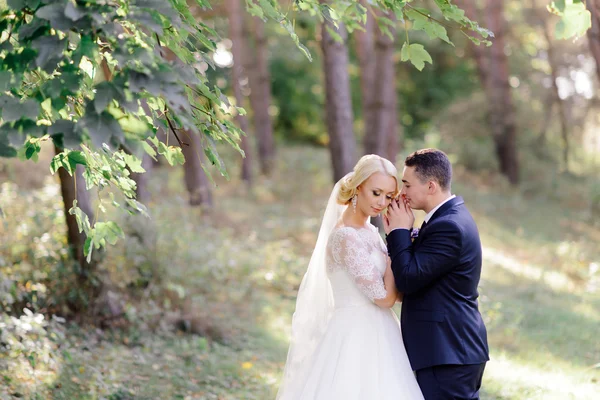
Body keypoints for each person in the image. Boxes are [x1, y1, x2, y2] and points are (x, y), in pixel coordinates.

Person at [276, 154, 424, 400]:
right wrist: (394, 251)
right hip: (354, 335)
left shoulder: (371, 232)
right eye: (376, 192)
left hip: (382, 334)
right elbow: (385, 299)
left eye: (388, 196)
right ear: (358, 188)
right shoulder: (345, 237)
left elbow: (394, 294)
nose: (381, 202)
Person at [384, 148, 490, 400]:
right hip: (446, 351)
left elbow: (408, 279)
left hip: (448, 353)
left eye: (407, 185)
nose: (402, 193)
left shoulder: (449, 226)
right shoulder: (444, 218)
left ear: (431, 186)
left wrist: (398, 232)